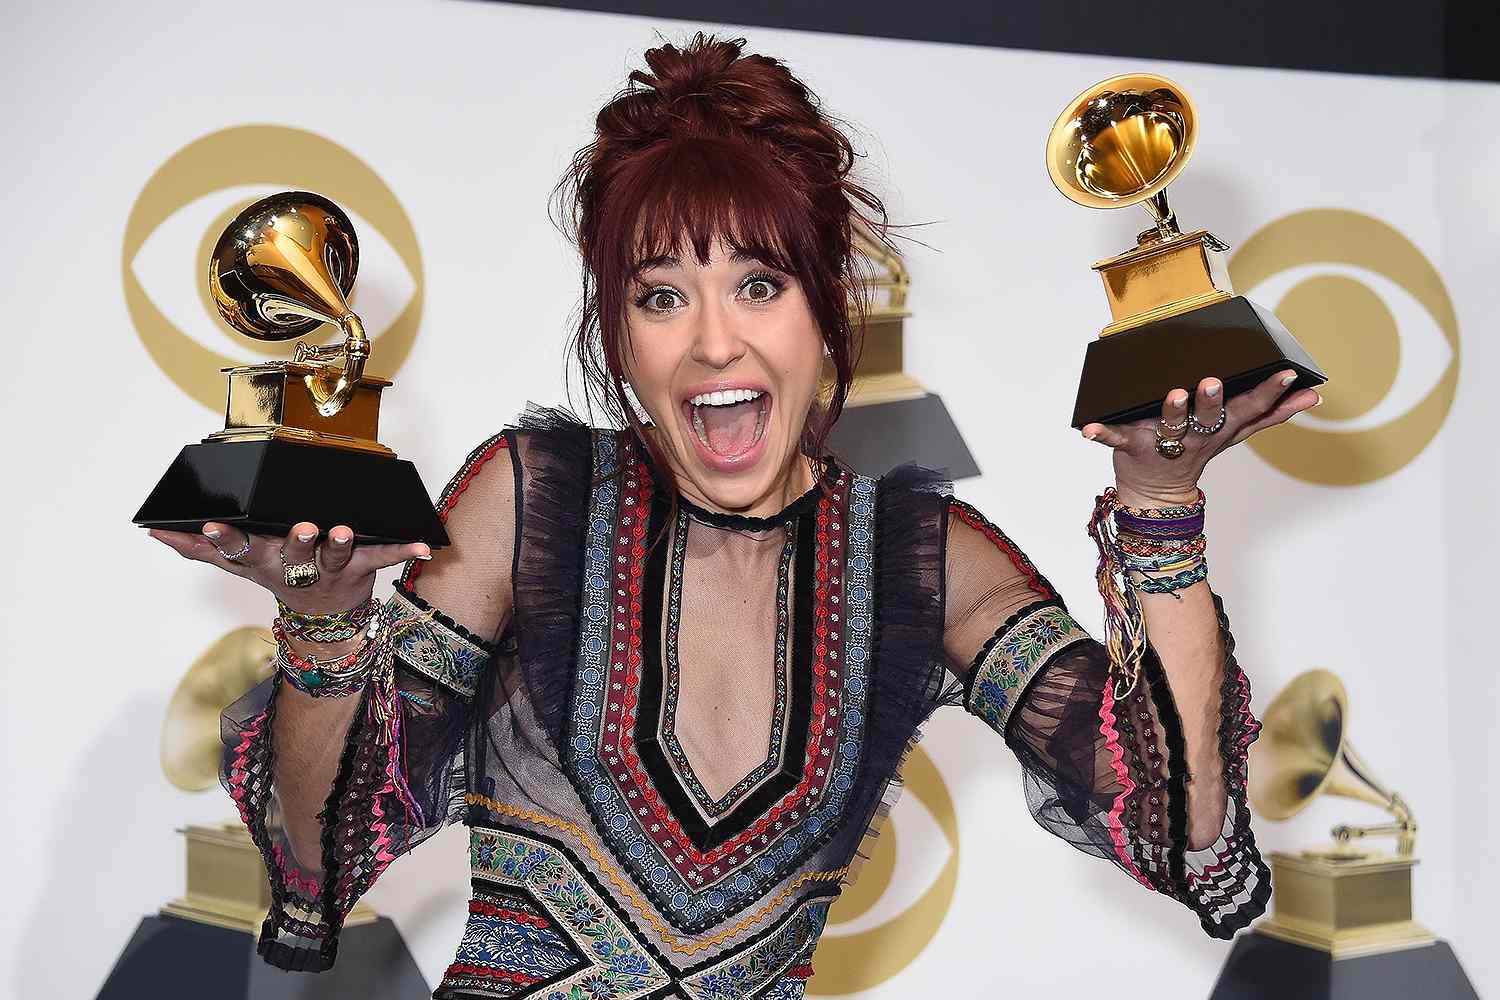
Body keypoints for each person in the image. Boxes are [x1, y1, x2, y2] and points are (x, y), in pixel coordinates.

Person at [149, 33, 1318, 998]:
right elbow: (322, 852)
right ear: (619, 337)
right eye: (663, 295)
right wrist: (323, 627)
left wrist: (1161, 510)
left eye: (759, 283)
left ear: (826, 315)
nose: (715, 340)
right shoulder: (530, 500)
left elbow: (1181, 829)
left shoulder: (922, 562)